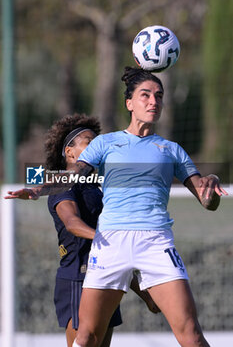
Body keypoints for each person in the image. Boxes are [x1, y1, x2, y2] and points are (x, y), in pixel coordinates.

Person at [5, 67, 228, 347]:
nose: (153, 101)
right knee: (86, 338)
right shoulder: (105, 143)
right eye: (145, 95)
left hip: (156, 241)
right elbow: (73, 176)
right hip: (109, 242)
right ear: (129, 104)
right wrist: (37, 188)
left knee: (192, 335)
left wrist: (213, 182)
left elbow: (208, 202)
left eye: (158, 96)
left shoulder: (172, 150)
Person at [44, 113, 160, 347]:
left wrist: (144, 292)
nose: (96, 148)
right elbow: (72, 224)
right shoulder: (61, 184)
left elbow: (118, 251)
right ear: (70, 152)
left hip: (106, 278)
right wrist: (104, 237)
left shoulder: (98, 189)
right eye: (89, 142)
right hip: (79, 277)